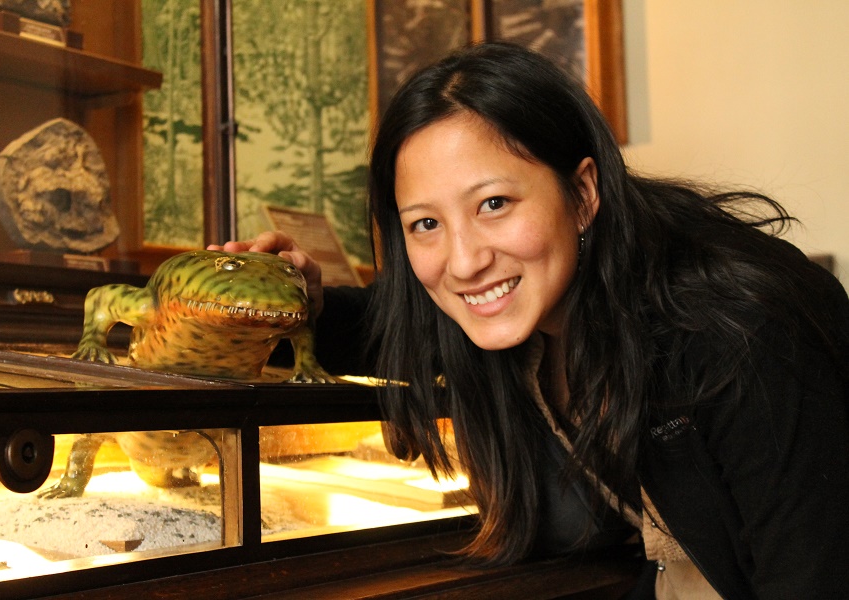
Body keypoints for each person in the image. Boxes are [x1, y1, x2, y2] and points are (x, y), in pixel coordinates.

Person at [211, 42, 849, 599]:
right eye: (425, 224)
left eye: (494, 203)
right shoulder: (527, 302)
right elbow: (399, 326)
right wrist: (299, 303)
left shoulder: (744, 329)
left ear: (583, 194)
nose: (464, 262)